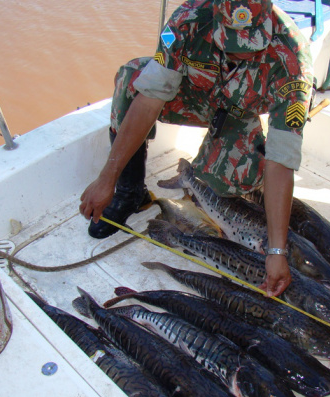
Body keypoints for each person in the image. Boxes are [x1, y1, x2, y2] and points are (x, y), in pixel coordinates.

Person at [79, 0, 314, 297]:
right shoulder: (188, 19)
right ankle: (130, 193)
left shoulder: (292, 56)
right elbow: (151, 97)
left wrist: (277, 250)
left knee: (230, 182)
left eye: (250, 41)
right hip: (194, 97)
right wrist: (106, 179)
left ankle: (219, 161)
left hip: (239, 112)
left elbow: (281, 158)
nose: (240, 51)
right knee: (131, 77)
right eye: (229, 39)